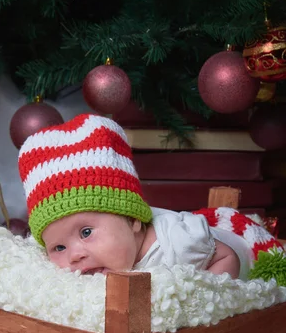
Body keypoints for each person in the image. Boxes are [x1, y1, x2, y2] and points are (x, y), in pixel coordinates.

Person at [18, 113, 284, 282]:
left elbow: (227, 257)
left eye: (86, 232)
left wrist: (206, 292)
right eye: (58, 248)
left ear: (133, 220)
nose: (74, 256)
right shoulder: (101, 264)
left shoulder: (177, 245)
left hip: (234, 246)